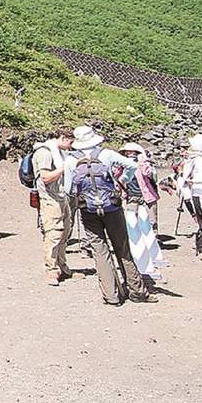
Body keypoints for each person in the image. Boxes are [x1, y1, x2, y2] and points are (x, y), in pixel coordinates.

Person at [70, 126, 155, 304]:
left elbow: (67, 188)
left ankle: (111, 295)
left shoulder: (71, 159)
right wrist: (122, 180)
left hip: (88, 209)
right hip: (112, 206)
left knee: (99, 251)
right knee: (122, 247)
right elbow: (132, 166)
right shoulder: (107, 154)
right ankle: (137, 291)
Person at [33, 128, 75, 286]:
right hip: (50, 199)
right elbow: (45, 177)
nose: (71, 146)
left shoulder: (60, 153)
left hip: (62, 197)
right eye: (70, 142)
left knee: (65, 232)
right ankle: (51, 270)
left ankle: (62, 265)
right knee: (54, 234)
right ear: (63, 138)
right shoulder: (44, 152)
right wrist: (65, 167)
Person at [120, 143, 159, 230]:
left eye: (132, 152)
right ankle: (136, 237)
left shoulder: (143, 164)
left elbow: (149, 174)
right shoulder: (123, 165)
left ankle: (154, 236)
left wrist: (143, 162)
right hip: (131, 196)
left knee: (152, 221)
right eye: (127, 152)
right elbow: (118, 178)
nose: (130, 154)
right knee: (132, 221)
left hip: (147, 195)